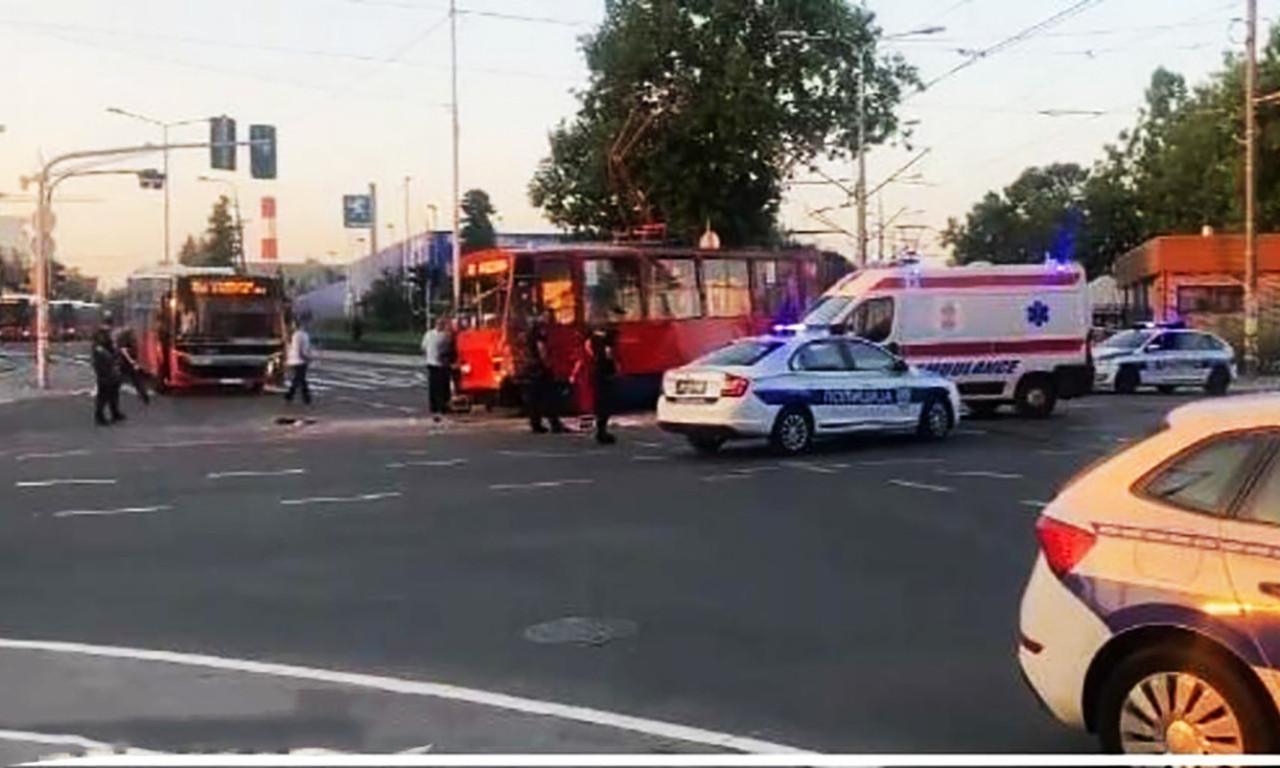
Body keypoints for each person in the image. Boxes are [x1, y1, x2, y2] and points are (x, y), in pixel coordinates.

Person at [573, 321, 619, 445]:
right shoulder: (605, 342)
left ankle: (600, 429)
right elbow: (608, 356)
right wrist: (614, 369)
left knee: (598, 401)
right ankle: (602, 431)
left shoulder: (589, 341)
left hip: (594, 374)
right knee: (605, 403)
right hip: (604, 374)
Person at [522, 309, 565, 434]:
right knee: (549, 396)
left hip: (532, 368)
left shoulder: (530, 333)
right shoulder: (539, 333)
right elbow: (542, 349)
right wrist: (547, 365)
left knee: (535, 398)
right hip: (541, 369)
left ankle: (536, 424)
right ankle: (554, 423)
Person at [91, 317, 124, 426]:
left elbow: (113, 349)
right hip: (104, 368)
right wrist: (112, 359)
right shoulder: (101, 336)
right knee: (104, 393)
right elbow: (102, 352)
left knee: (114, 391)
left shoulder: (107, 335)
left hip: (109, 368)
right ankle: (99, 415)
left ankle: (114, 412)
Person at [421, 317, 453, 421]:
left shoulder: (428, 334)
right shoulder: (444, 336)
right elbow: (448, 349)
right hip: (441, 365)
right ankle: (442, 407)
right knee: (442, 387)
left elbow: (423, 347)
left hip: (430, 363)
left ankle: (433, 406)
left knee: (433, 387)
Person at [113, 325, 150, 405]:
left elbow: (122, 350)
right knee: (136, 380)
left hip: (124, 363)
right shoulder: (127, 340)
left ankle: (112, 395)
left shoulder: (124, 339)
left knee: (121, 380)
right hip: (126, 362)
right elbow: (124, 351)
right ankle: (144, 397)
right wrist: (132, 362)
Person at [283, 318, 313, 405]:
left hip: (296, 360)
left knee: (299, 378)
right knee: (300, 378)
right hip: (300, 360)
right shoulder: (301, 335)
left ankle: (291, 395)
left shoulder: (297, 334)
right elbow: (301, 348)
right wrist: (306, 357)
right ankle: (304, 397)